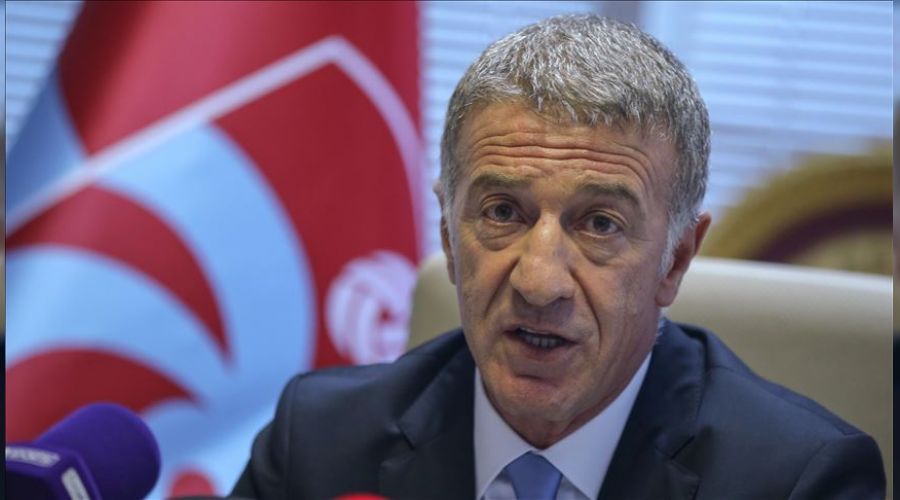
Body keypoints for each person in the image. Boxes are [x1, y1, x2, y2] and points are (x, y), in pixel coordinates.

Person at [231, 15, 884, 499]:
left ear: (676, 260)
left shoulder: (798, 480)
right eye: (502, 213)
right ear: (449, 235)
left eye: (600, 224)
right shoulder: (320, 442)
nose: (539, 282)